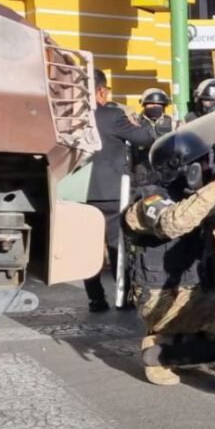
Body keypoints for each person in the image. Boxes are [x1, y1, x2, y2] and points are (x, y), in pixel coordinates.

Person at [126, 126, 215, 385]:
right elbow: (174, 223)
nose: (209, 169)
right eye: (203, 163)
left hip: (195, 292)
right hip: (162, 301)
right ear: (186, 169)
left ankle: (173, 343)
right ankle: (161, 353)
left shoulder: (190, 198)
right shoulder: (148, 201)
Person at [84, 69, 158, 313]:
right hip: (113, 191)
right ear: (101, 92)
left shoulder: (69, 116)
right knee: (118, 245)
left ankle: (96, 299)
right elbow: (145, 138)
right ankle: (123, 296)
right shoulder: (113, 116)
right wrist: (134, 123)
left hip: (79, 193)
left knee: (89, 247)